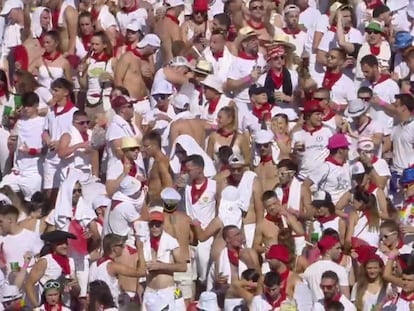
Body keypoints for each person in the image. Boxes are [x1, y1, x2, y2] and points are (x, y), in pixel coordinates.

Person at [1, 92, 44, 201]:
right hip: (17, 172)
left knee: (33, 204)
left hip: (34, 172)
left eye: (29, 106)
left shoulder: (43, 122)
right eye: (24, 106)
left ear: (36, 105)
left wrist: (31, 151)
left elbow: (47, 150)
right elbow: (12, 146)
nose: (26, 109)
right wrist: (11, 143)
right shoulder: (19, 122)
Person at [142, 209, 187, 311]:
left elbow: (183, 266)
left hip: (166, 291)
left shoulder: (171, 242)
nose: (154, 228)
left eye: (157, 225)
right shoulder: (144, 242)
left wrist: (160, 266)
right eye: (152, 225)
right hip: (150, 290)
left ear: (162, 225)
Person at [25, 230, 79, 308]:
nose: (65, 246)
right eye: (60, 244)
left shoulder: (70, 261)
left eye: (66, 243)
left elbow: (76, 293)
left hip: (64, 307)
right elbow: (29, 284)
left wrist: (75, 285)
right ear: (53, 245)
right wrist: (37, 308)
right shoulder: (45, 261)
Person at [89, 233, 146, 305]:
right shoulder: (112, 266)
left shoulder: (93, 264)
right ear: (114, 248)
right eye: (121, 245)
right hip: (109, 305)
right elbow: (142, 272)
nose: (124, 247)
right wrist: (140, 250)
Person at [303, 235, 349, 301]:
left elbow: (305, 296)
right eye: (337, 248)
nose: (340, 251)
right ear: (328, 251)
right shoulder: (340, 270)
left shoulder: (309, 270)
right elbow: (345, 297)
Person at [142, 131, 174, 203]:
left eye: (146, 146)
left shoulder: (161, 162)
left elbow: (168, 186)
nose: (143, 149)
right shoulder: (155, 162)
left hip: (159, 205)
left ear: (155, 146)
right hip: (153, 204)